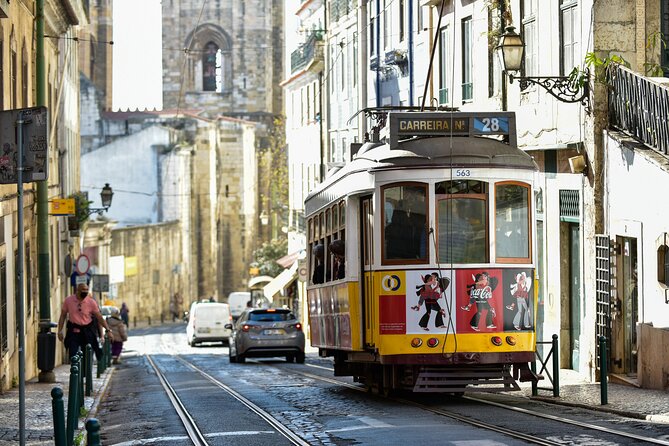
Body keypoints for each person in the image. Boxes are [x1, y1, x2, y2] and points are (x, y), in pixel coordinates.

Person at [57, 283, 113, 360]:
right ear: (77, 290)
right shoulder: (68, 300)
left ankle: (85, 371)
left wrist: (108, 330)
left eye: (86, 290)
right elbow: (63, 316)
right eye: (83, 289)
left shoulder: (91, 302)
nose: (85, 291)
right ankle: (75, 370)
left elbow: (99, 317)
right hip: (74, 331)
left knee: (87, 356)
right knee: (73, 355)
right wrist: (59, 331)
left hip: (87, 332)